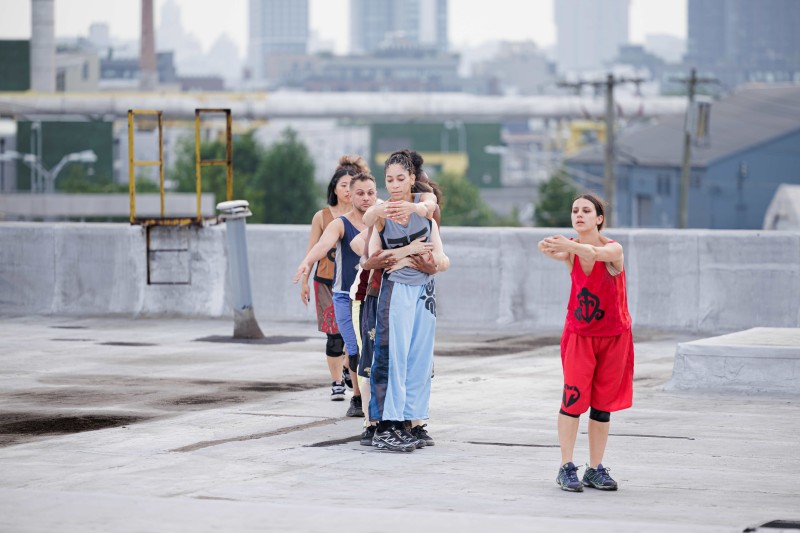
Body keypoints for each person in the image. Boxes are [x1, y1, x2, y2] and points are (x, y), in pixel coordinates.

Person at [537, 193, 634, 492]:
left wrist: (570, 245)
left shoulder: (613, 248)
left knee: (602, 405)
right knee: (573, 400)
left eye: (586, 210)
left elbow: (599, 254)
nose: (579, 214)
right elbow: (552, 250)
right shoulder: (570, 252)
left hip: (614, 336)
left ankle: (595, 468)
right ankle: (566, 466)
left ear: (599, 218)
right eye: (575, 210)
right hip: (580, 335)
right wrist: (553, 247)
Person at [362, 149, 450, 452]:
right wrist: (406, 251)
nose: (395, 184)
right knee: (393, 356)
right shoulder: (382, 213)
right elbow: (372, 258)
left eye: (401, 178)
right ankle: (386, 424)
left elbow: (439, 252)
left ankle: (411, 420)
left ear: (413, 179)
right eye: (390, 179)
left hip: (424, 291)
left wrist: (426, 260)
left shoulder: (424, 209)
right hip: (396, 289)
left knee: (419, 359)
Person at [294, 171, 387, 417]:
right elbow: (322, 245)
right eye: (360, 193)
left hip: (373, 295)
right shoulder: (340, 223)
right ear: (351, 195)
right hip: (345, 296)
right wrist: (306, 263)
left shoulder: (381, 220)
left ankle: (377, 399)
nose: (365, 198)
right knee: (353, 348)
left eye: (370, 193)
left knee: (373, 347)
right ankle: (357, 398)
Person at [299, 155, 367, 402]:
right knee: (333, 336)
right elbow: (314, 248)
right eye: (343, 186)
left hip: (357, 284)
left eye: (353, 186)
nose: (349, 191)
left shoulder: (364, 214)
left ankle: (352, 371)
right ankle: (337, 381)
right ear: (335, 189)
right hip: (327, 282)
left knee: (354, 338)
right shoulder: (323, 217)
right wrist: (305, 278)